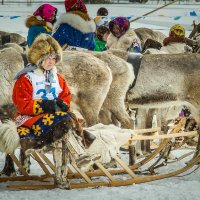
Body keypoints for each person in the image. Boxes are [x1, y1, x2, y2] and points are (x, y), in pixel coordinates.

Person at [12, 34, 99, 170]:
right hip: (30, 119)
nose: (51, 62)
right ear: (38, 58)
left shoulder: (56, 77)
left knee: (69, 117)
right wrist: (43, 105)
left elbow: (65, 95)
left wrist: (61, 104)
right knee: (66, 120)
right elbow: (21, 104)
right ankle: (81, 154)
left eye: (54, 58)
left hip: (54, 117)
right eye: (47, 58)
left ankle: (82, 154)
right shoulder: (26, 78)